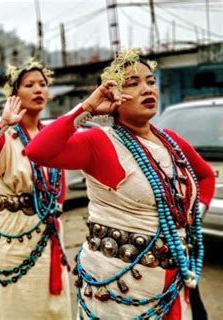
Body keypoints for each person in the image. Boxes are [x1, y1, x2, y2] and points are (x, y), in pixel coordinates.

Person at [26, 48, 215, 319]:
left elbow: (205, 176)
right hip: (120, 288)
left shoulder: (170, 140)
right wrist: (88, 107)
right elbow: (38, 151)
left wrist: (196, 214)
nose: (146, 89)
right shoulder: (99, 142)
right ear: (113, 95)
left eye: (150, 81)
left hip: (172, 281)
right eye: (132, 84)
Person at [0, 59, 72, 319]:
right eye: (29, 85)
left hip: (49, 232)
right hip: (15, 233)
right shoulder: (6, 134)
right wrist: (2, 122)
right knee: (20, 305)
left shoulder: (50, 134)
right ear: (14, 94)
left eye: (42, 85)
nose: (38, 90)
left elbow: (60, 186)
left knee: (51, 307)